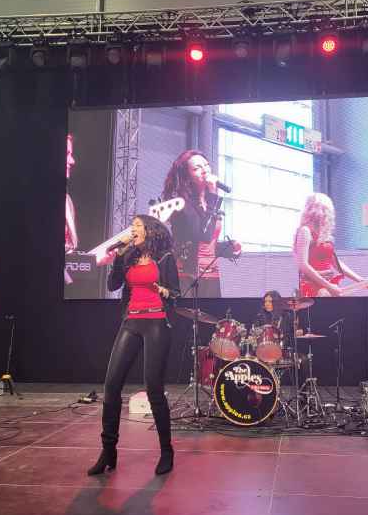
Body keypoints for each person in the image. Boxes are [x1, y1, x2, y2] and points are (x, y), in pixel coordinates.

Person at [88, 215, 181, 476]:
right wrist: (119, 257)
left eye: (137, 226)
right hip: (131, 321)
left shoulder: (165, 258)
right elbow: (113, 285)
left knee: (154, 388)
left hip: (156, 322)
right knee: (111, 386)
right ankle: (108, 451)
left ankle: (166, 451)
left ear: (150, 231)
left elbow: (176, 292)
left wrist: (165, 292)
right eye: (132, 226)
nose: (133, 230)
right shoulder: (127, 256)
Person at [161, 150, 240, 297]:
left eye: (206, 165)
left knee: (212, 312)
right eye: (197, 168)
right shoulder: (182, 204)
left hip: (212, 274)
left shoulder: (210, 201)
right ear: (187, 176)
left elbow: (207, 243)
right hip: (188, 276)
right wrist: (213, 194)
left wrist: (228, 247)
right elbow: (203, 235)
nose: (205, 170)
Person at [293, 193, 368, 297]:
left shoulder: (324, 234)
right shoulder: (305, 231)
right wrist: (328, 286)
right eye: (325, 209)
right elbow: (303, 265)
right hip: (313, 286)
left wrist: (360, 280)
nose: (327, 213)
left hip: (328, 285)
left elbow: (336, 263)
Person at [65, 133, 78, 284]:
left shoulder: (67, 201)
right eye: (67, 154)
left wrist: (95, 260)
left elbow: (69, 262)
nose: (72, 161)